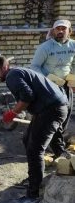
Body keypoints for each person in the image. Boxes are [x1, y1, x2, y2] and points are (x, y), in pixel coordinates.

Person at [0, 56, 70, 203]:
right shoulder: (18, 72)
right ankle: (35, 180)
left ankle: (33, 195)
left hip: (51, 110)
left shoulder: (12, 76)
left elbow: (27, 96)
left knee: (35, 148)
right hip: (50, 108)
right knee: (27, 139)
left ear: (4, 67)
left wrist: (12, 113)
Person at [30, 19, 75, 154]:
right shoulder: (45, 47)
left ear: (69, 31)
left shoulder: (73, 46)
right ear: (53, 31)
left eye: (63, 29)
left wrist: (73, 79)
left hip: (66, 87)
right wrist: (49, 78)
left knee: (65, 117)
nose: (60, 31)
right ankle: (58, 150)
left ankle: (56, 145)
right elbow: (35, 67)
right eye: (58, 29)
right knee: (55, 117)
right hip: (49, 87)